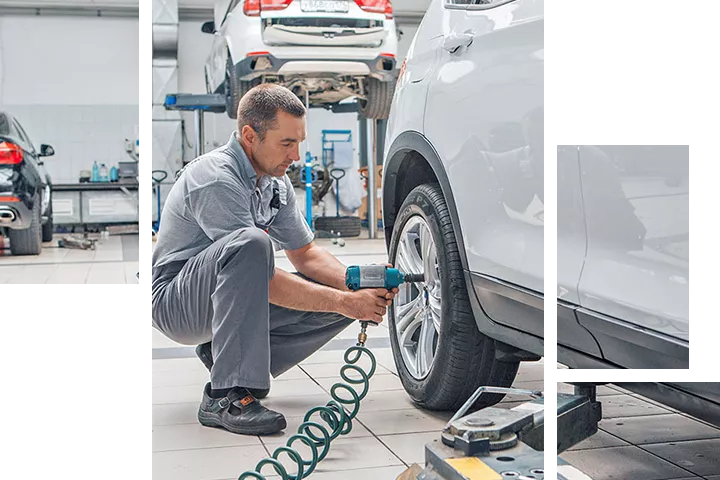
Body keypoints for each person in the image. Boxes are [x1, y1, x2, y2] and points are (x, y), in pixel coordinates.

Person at [151, 84, 397, 436]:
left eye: (298, 142)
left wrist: (359, 283)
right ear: (250, 136)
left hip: (223, 295)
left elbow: (306, 254)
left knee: (338, 293)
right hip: (178, 302)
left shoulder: (273, 183)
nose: (295, 156)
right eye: (286, 143)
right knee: (253, 244)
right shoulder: (215, 178)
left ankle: (227, 358)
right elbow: (260, 277)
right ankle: (224, 395)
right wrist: (345, 302)